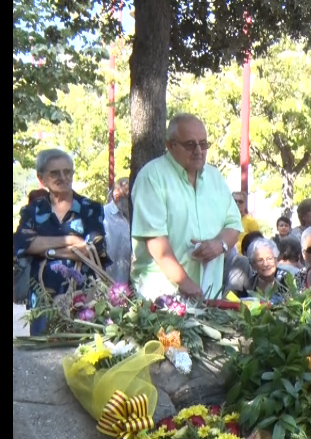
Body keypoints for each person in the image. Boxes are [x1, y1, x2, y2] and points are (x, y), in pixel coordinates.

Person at [130, 114, 243, 300]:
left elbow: (234, 225)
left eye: (203, 144)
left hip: (208, 294)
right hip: (161, 295)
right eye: (190, 145)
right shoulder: (152, 177)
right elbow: (156, 241)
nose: (199, 151)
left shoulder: (215, 178)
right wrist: (186, 283)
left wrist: (219, 245)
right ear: (170, 145)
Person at [14, 149, 109, 335]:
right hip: (42, 299)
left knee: (83, 354)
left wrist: (46, 250)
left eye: (67, 171)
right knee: (42, 356)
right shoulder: (32, 210)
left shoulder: (90, 208)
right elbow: (23, 244)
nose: (63, 177)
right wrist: (71, 240)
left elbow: (93, 249)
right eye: (55, 173)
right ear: (42, 178)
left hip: (83, 299)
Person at [103, 177, 132, 284]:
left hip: (133, 286)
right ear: (116, 195)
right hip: (107, 283)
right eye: (126, 197)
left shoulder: (135, 216)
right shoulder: (104, 215)